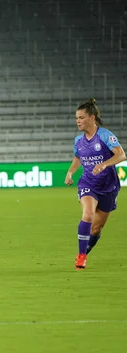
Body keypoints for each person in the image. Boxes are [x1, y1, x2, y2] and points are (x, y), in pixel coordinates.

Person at [65, 98, 126, 270]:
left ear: (92, 118)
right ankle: (81, 256)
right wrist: (70, 172)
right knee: (88, 215)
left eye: (81, 117)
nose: (78, 121)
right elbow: (78, 157)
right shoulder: (78, 140)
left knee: (96, 229)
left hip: (109, 186)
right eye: (77, 118)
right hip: (88, 183)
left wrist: (105, 164)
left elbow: (121, 155)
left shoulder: (105, 135)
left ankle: (86, 250)